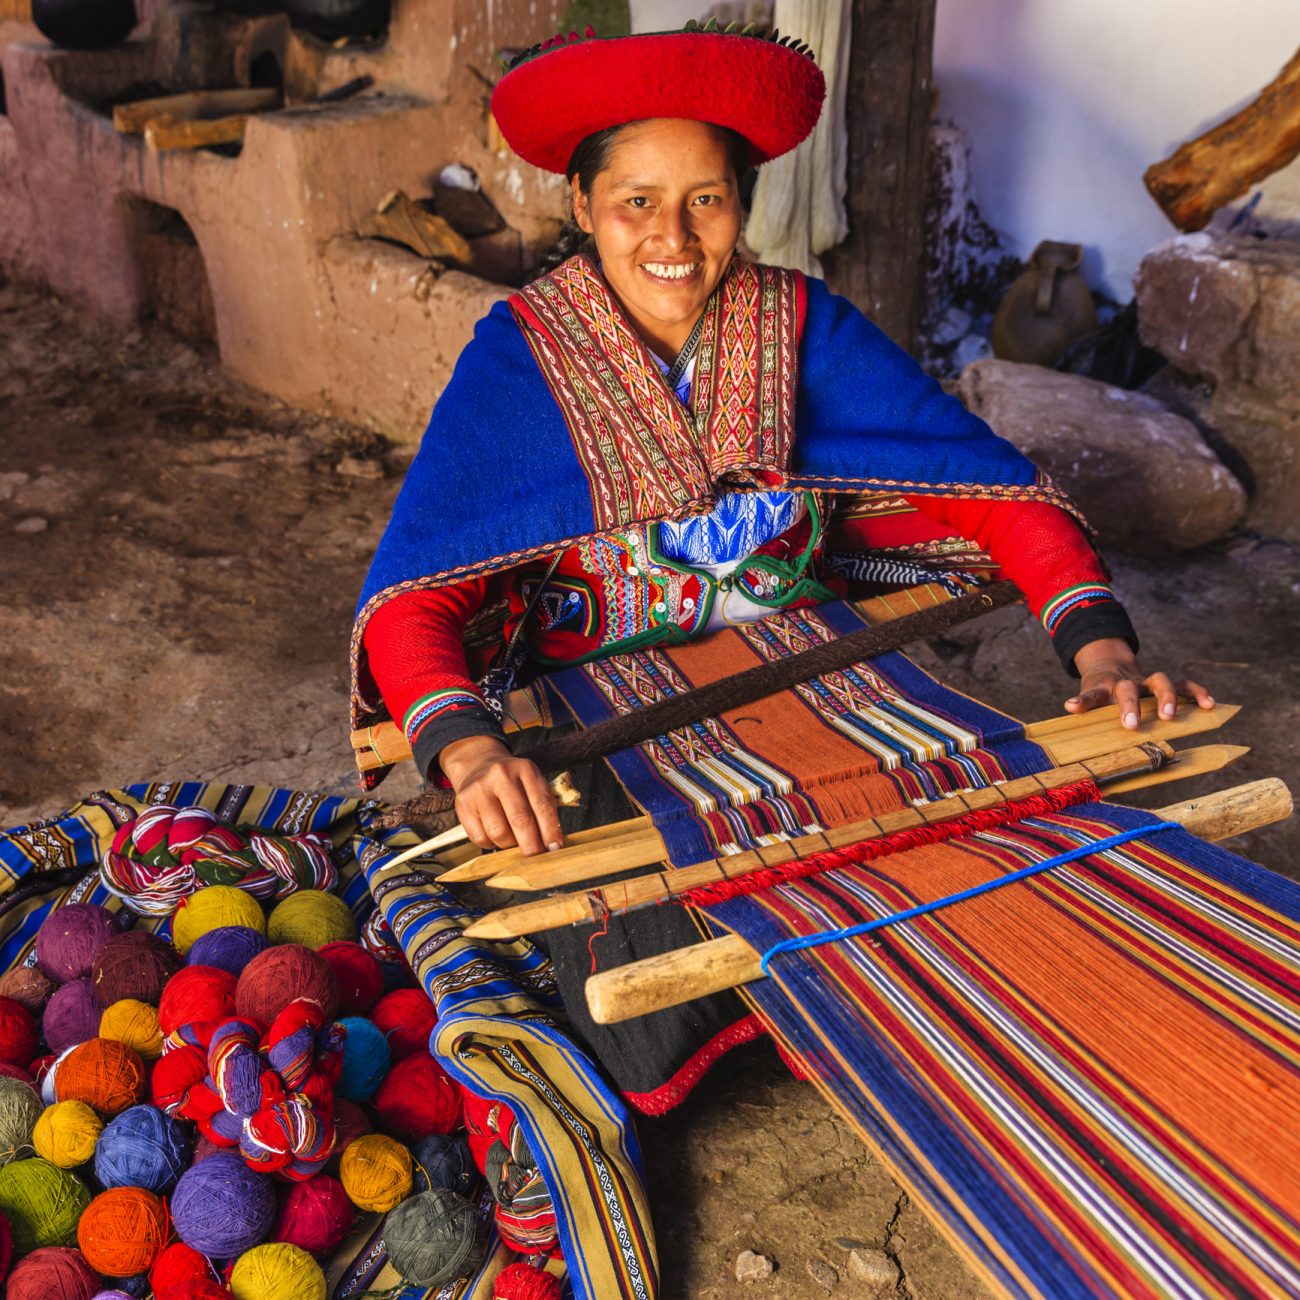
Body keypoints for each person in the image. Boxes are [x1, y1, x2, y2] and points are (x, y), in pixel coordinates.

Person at [352, 23, 1212, 1108]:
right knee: (641, 969)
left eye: (705, 199)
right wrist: (472, 751)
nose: (673, 236)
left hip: (812, 677)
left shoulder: (800, 326)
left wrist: (1099, 653)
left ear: (743, 205)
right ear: (580, 205)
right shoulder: (520, 358)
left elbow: (994, 492)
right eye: (635, 202)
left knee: (992, 863)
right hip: (614, 711)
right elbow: (417, 595)